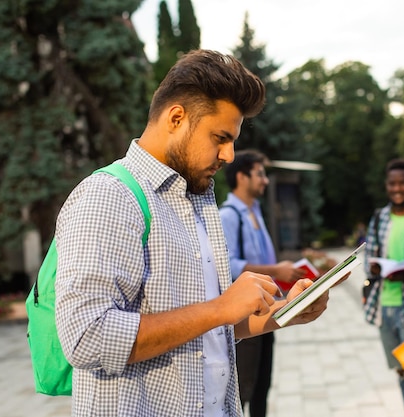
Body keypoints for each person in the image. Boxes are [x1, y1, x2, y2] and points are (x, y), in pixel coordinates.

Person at [53, 49, 342, 417]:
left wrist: (285, 312)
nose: (230, 155)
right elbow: (86, 337)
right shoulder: (109, 197)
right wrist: (219, 308)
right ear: (176, 117)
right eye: (220, 137)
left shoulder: (196, 201)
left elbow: (211, 329)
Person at [219, 150, 306, 417]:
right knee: (244, 387)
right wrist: (274, 269)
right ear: (242, 177)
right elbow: (229, 265)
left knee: (262, 387)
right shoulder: (229, 215)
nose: (265, 180)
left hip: (267, 310)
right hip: (245, 319)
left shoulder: (255, 211)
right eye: (260, 174)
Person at [362, 158, 404, 417]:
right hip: (386, 307)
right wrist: (374, 268)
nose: (397, 188)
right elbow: (368, 259)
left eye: (403, 183)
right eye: (392, 183)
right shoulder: (379, 217)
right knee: (402, 369)